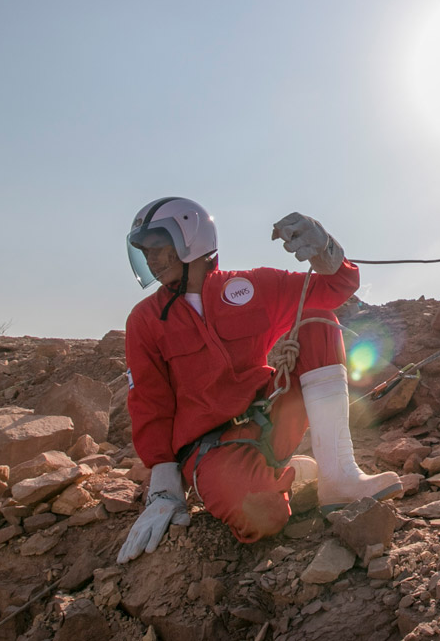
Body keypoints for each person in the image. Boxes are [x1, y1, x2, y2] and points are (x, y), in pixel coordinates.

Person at [117, 198, 401, 561]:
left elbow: (335, 288)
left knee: (318, 319)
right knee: (265, 517)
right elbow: (149, 404)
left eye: (159, 246)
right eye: (145, 250)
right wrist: (165, 490)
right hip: (212, 451)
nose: (152, 259)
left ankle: (339, 478)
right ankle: (284, 479)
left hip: (270, 420)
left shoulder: (251, 286)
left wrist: (326, 250)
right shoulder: (144, 320)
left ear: (193, 239)